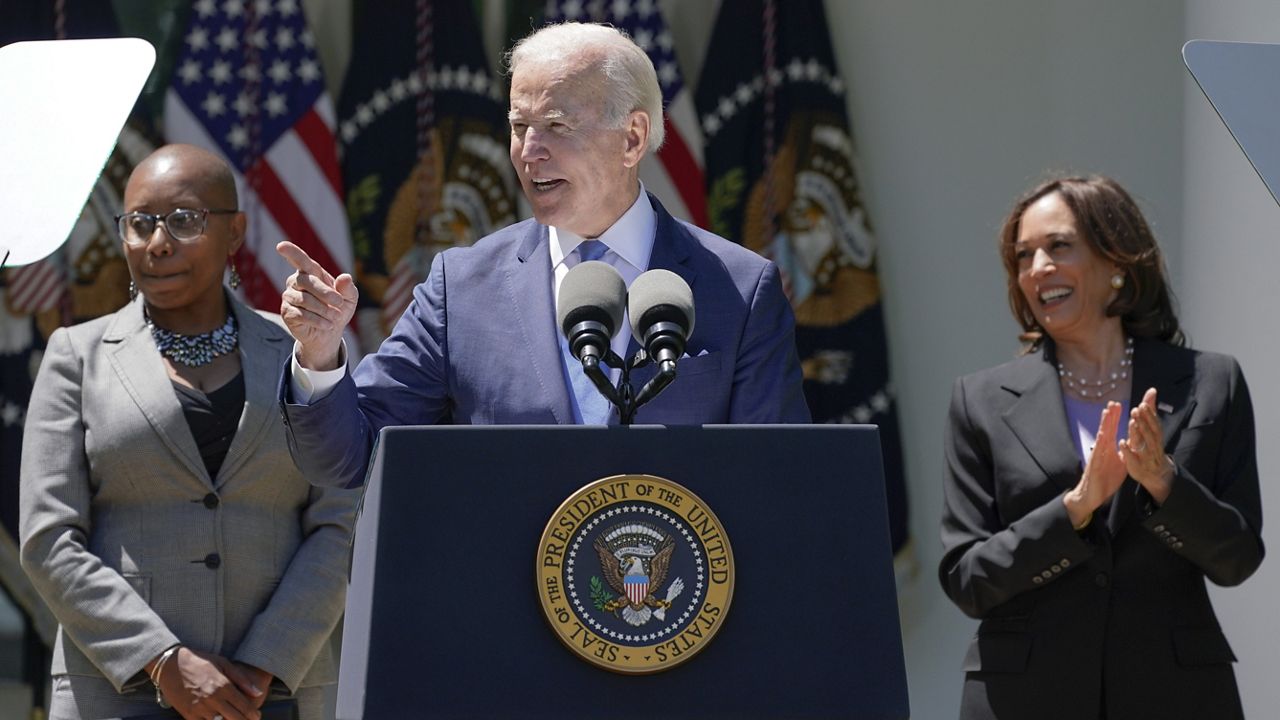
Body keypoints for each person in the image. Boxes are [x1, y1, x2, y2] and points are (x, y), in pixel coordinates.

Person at [277, 22, 810, 489]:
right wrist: (321, 358)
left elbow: (778, 478)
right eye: (518, 127)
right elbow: (347, 457)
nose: (529, 151)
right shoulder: (460, 288)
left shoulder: (740, 288)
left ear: (632, 138)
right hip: (507, 597)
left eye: (556, 126)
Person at [20, 144, 360, 720]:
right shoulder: (75, 357)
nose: (158, 242)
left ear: (235, 232)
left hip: (274, 694)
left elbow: (339, 522)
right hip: (115, 690)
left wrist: (264, 662)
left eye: (184, 220)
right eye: (139, 223)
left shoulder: (301, 352)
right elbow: (49, 538)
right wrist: (162, 661)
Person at [938, 175, 1264, 719]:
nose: (1037, 268)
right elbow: (968, 579)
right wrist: (1073, 511)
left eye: (1058, 246)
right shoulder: (981, 401)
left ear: (1117, 264)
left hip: (1175, 696)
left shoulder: (1212, 383)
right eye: (1023, 256)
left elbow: (1238, 557)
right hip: (1026, 700)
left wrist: (1164, 483)